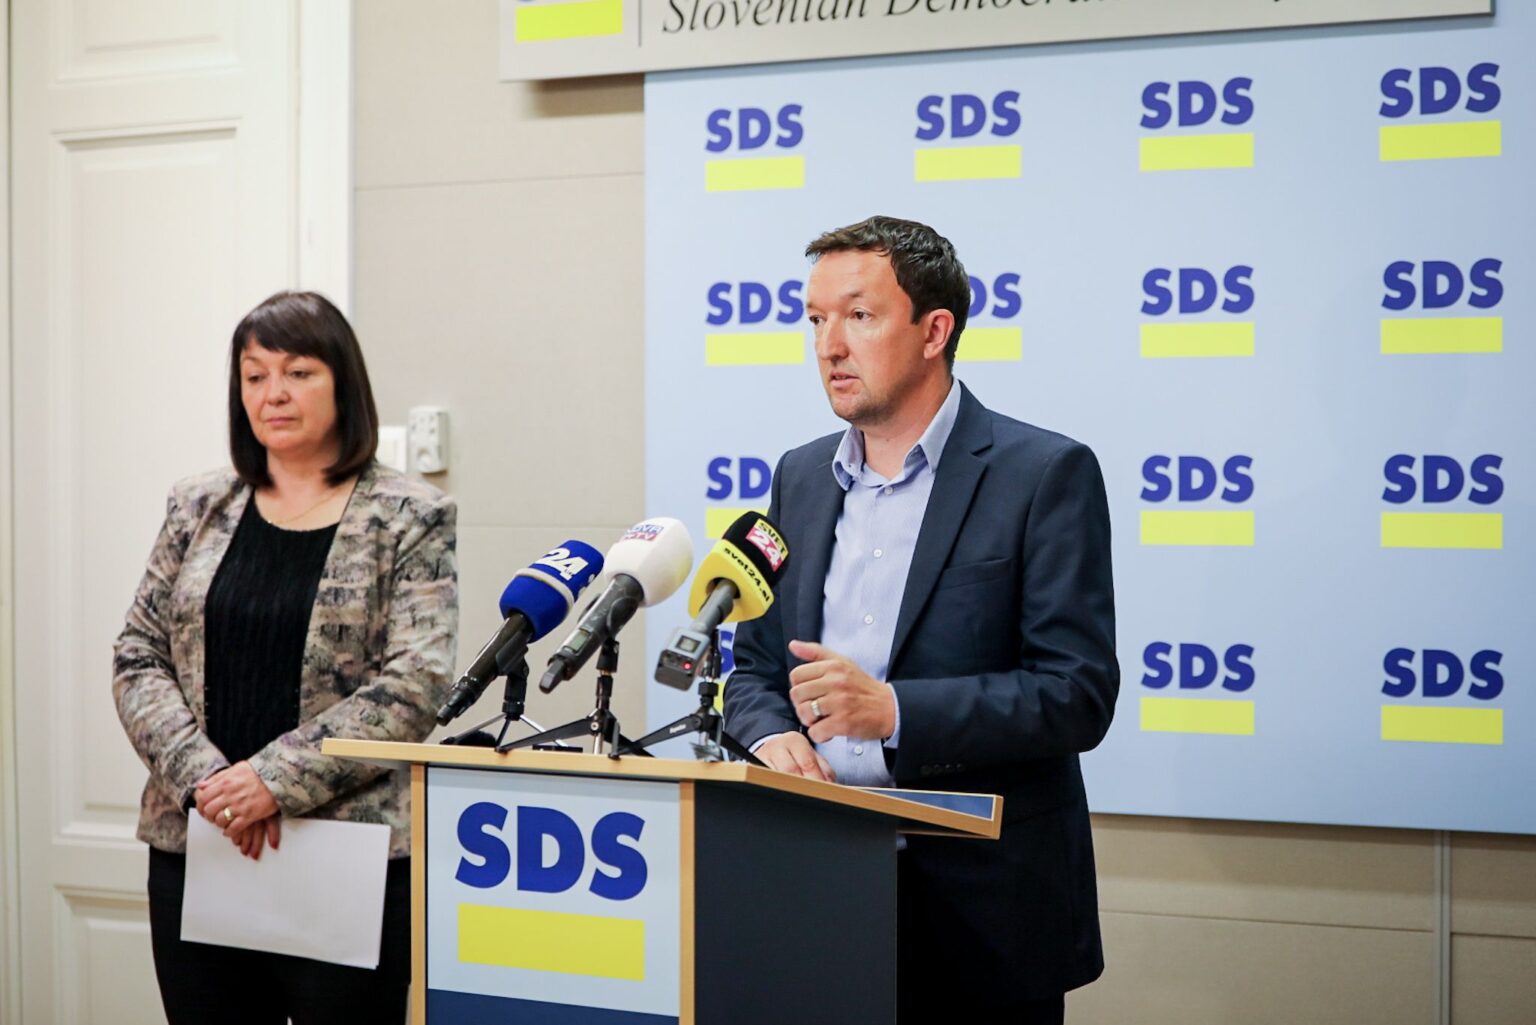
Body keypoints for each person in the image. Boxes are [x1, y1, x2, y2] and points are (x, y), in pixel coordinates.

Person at [724, 216, 1119, 1022]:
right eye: (815, 319)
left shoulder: (1044, 473)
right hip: (815, 892)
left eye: (859, 316)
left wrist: (894, 711)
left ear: (935, 331)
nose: (829, 345)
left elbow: (1076, 693)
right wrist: (770, 737)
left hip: (982, 916)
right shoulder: (800, 477)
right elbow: (755, 669)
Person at [112, 291, 458, 1024]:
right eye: (254, 375)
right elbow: (138, 653)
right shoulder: (196, 504)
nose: (273, 393)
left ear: (342, 384)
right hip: (199, 844)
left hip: (348, 859)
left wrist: (271, 780)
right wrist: (210, 784)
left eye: (298, 372)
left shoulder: (409, 514)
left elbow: (416, 683)